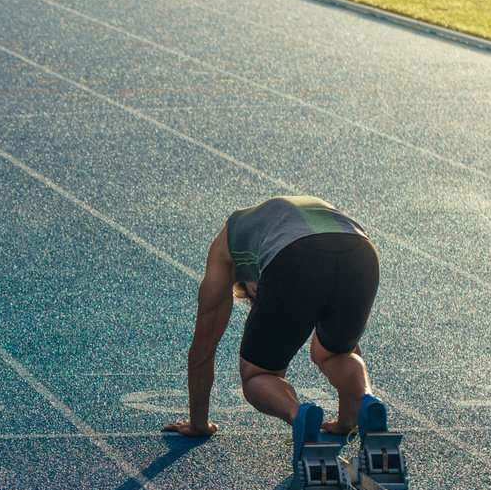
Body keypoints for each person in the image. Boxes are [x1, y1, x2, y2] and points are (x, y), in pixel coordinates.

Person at [160, 194, 389, 464]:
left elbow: (202, 348)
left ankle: (298, 414)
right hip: (360, 251)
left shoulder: (226, 249)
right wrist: (346, 420)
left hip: (295, 255)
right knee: (336, 353)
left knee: (258, 374)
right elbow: (348, 345)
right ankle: (368, 401)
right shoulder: (269, 223)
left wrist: (199, 424)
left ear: (247, 282)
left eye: (255, 299)